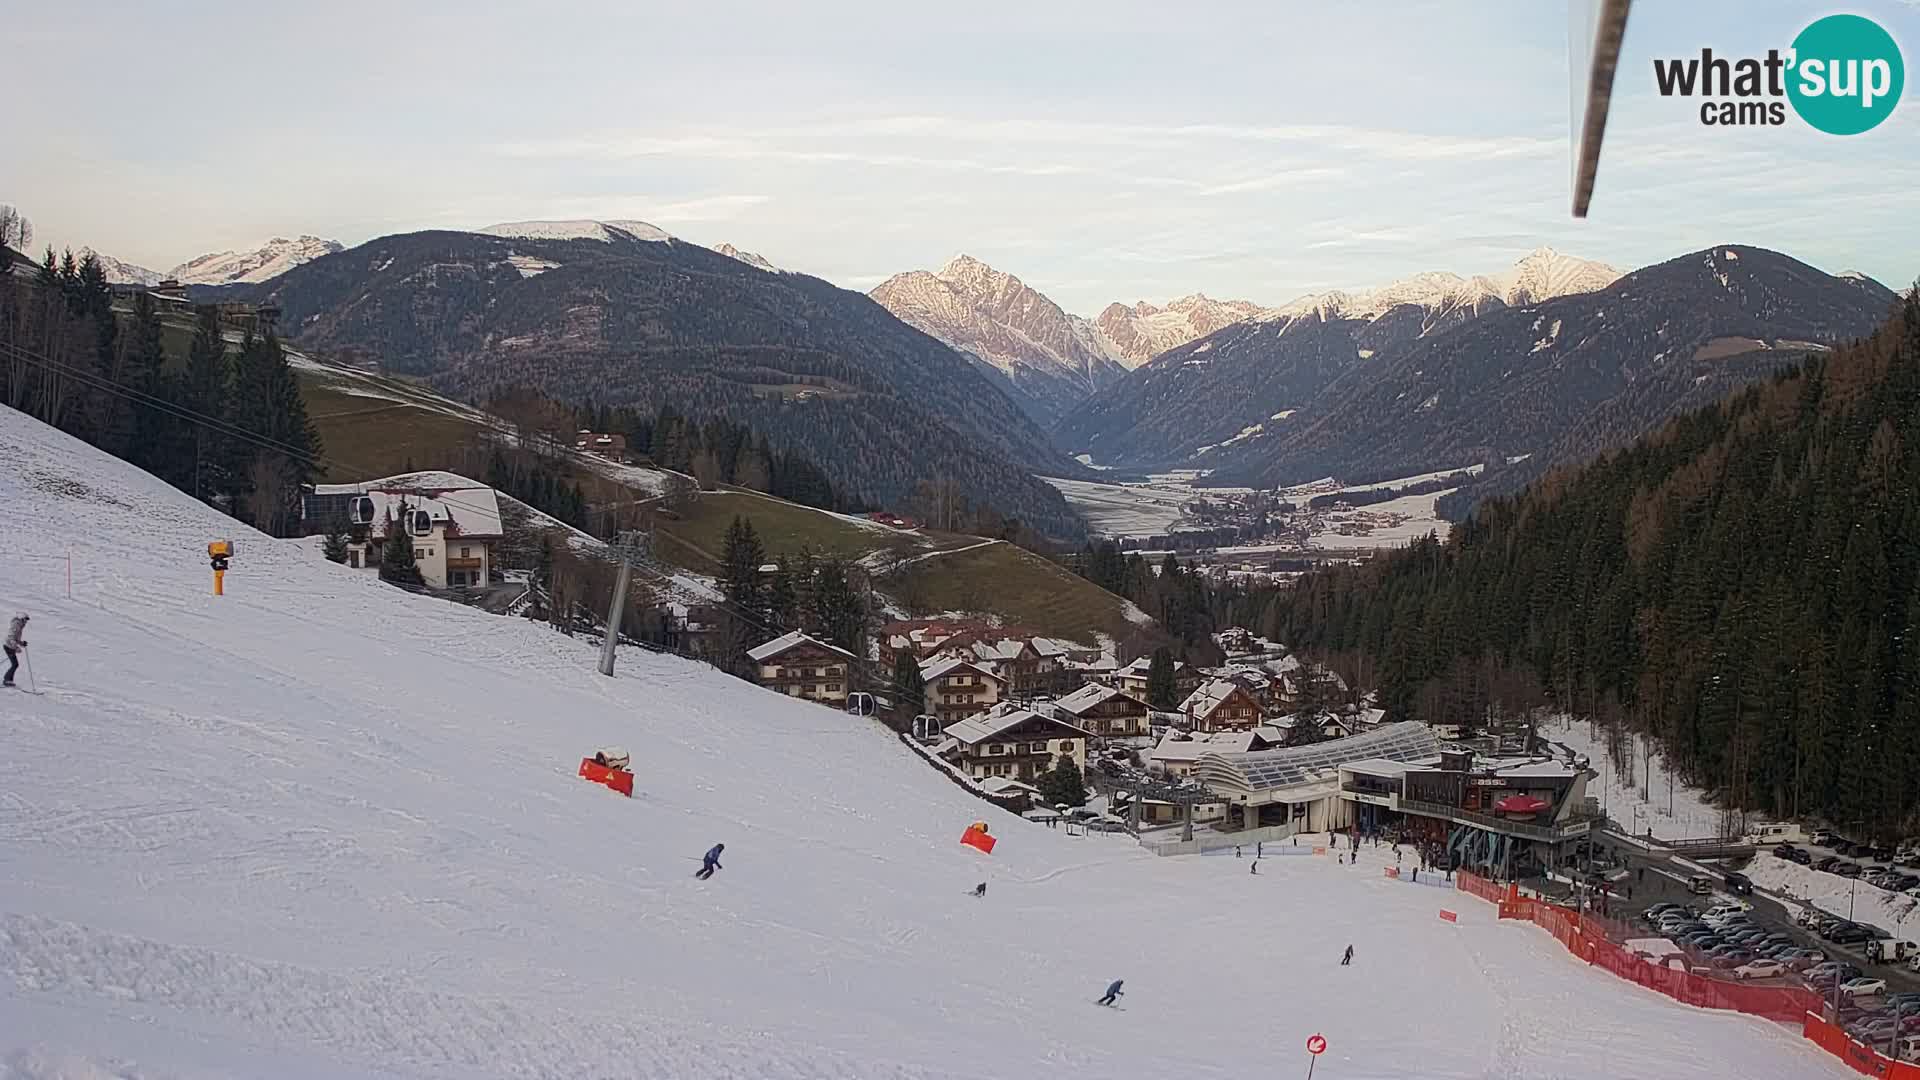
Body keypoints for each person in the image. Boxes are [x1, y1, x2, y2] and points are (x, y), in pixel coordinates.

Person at [2, 613, 25, 688]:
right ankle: (7, 680)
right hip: (8, 646)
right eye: (25, 619)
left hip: (10, 646)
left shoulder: (19, 626)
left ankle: (8, 680)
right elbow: (11, 638)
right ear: (21, 619)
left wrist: (22, 643)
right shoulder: (16, 625)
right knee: (15, 664)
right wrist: (16, 648)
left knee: (15, 664)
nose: (26, 621)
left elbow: (16, 639)